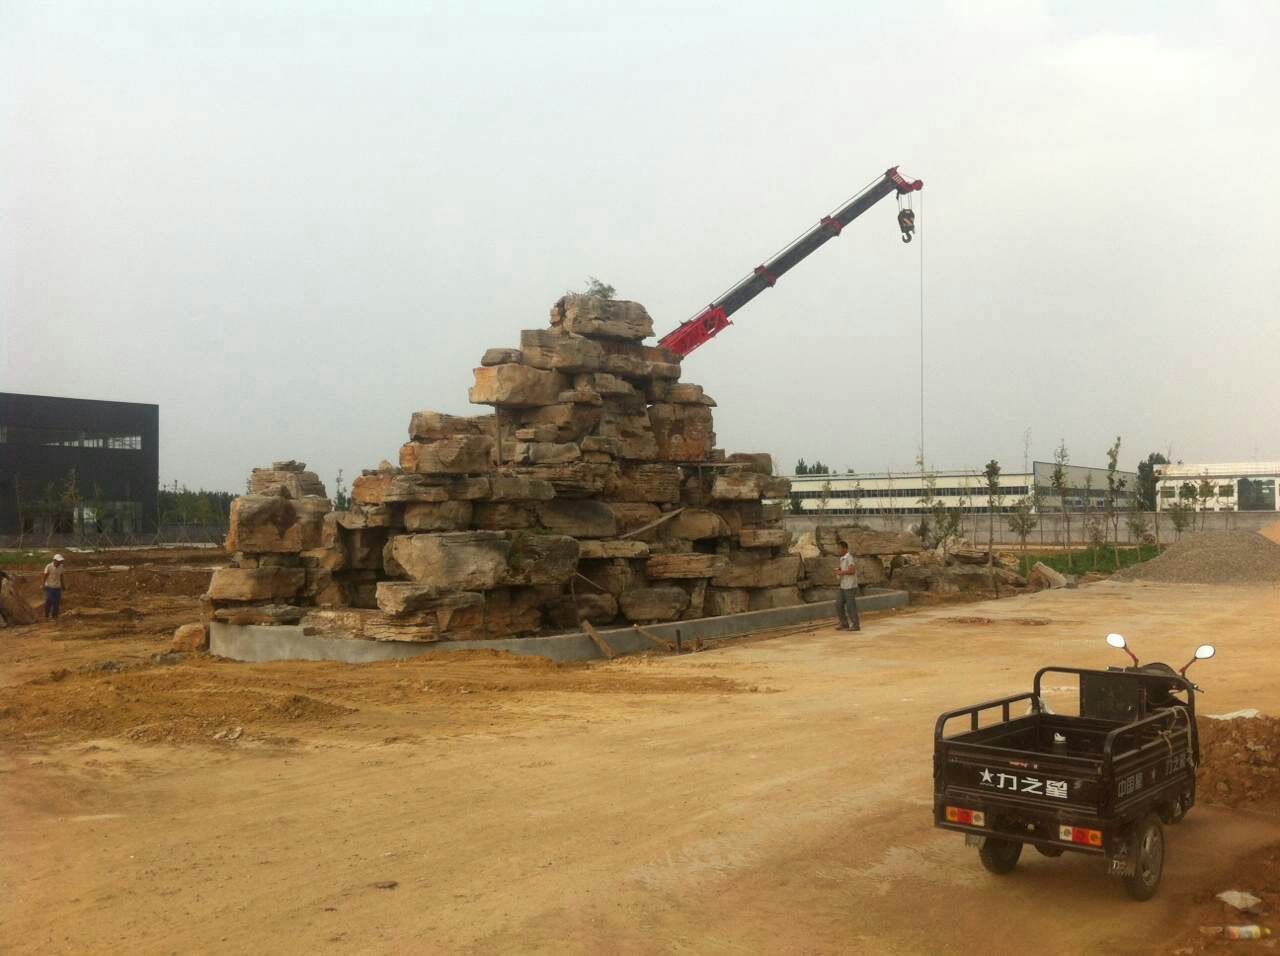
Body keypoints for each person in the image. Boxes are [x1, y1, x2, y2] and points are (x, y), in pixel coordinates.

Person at [834, 540, 860, 632]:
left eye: (839, 548)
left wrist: (841, 572)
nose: (838, 550)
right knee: (838, 604)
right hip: (843, 585)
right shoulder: (842, 558)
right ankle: (844, 623)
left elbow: (852, 570)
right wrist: (840, 570)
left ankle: (856, 624)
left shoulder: (849, 558)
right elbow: (846, 569)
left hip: (850, 585)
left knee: (850, 606)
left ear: (845, 549)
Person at [42, 553, 66, 621]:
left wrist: (63, 585)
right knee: (50, 600)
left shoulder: (61, 567)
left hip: (57, 587)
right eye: (58, 561)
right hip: (49, 586)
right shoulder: (49, 566)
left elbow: (61, 576)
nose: (59, 562)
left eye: (60, 561)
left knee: (57, 602)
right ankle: (46, 615)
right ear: (54, 560)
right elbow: (45, 575)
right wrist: (43, 584)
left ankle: (54, 616)